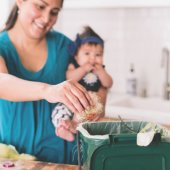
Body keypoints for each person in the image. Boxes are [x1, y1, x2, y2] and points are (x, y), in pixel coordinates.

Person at [0, 0, 94, 164]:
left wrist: (94, 105)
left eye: (54, 12)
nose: (46, 18)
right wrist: (48, 91)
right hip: (15, 160)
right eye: (40, 6)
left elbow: (94, 78)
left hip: (63, 160)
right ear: (20, 2)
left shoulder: (66, 46)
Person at [52, 26, 113, 141]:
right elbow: (69, 77)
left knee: (90, 120)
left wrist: (101, 72)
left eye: (98, 55)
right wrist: (83, 69)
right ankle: (63, 127)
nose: (92, 59)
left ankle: (74, 126)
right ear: (76, 56)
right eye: (87, 54)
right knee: (58, 112)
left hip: (89, 105)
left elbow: (108, 83)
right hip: (71, 102)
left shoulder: (101, 70)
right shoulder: (75, 67)